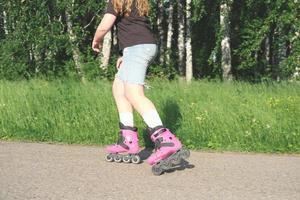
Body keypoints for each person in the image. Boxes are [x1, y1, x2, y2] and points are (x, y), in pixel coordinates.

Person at [92, 0, 189, 175]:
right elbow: (133, 28)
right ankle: (127, 140)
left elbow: (104, 26)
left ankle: (165, 139)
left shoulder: (116, 1)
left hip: (137, 48)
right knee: (119, 89)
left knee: (133, 93)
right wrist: (124, 54)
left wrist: (96, 40)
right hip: (137, 47)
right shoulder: (135, 2)